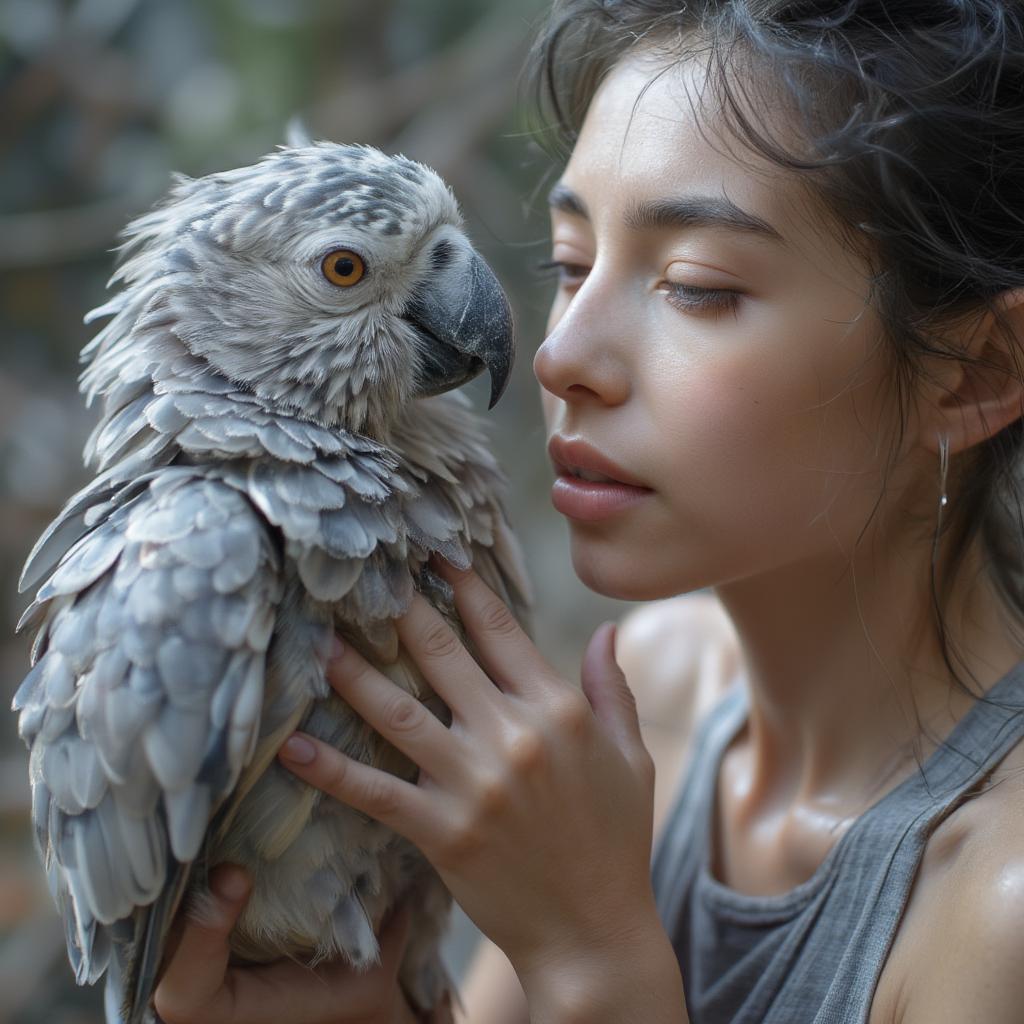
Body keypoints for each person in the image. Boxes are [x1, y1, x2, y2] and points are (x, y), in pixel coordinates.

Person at [150, 2, 1024, 1021]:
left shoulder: (998, 908)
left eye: (694, 286)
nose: (560, 354)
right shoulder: (645, 696)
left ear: (974, 371)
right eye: (568, 264)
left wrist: (590, 954)